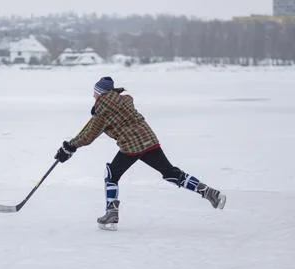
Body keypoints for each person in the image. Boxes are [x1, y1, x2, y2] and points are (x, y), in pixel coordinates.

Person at [55, 76, 226, 231]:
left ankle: (111, 214)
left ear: (100, 93)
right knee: (170, 172)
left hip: (130, 147)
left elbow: (88, 135)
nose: (93, 96)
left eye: (94, 93)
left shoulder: (102, 112)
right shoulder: (124, 101)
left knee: (112, 174)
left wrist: (69, 147)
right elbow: (94, 126)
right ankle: (209, 192)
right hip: (149, 140)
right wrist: (72, 143)